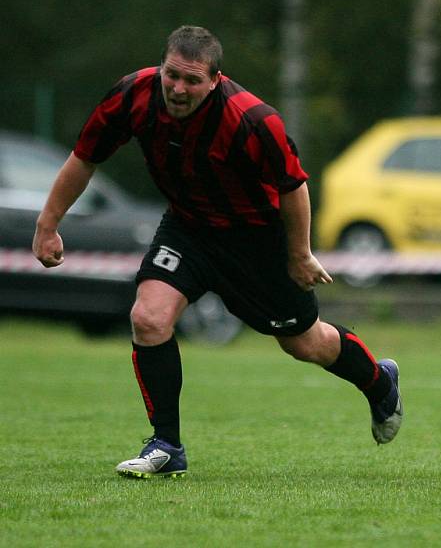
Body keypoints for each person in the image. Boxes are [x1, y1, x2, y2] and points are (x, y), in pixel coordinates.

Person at [32, 25, 402, 478]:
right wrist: (48, 224)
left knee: (304, 343)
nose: (178, 88)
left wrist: (299, 254)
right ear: (162, 66)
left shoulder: (252, 119)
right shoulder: (132, 94)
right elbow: (85, 156)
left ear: (215, 79)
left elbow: (294, 187)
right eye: (172, 75)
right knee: (149, 318)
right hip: (187, 229)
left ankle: (380, 382)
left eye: (192, 80)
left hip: (256, 241)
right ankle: (166, 445)